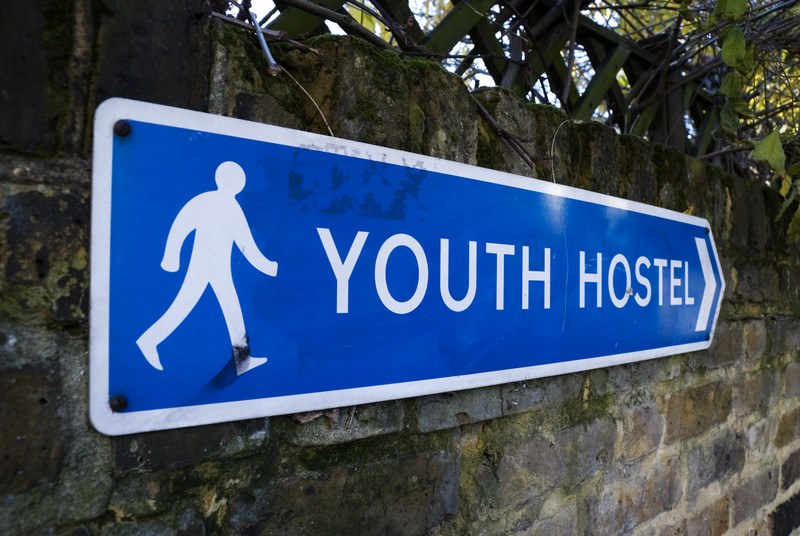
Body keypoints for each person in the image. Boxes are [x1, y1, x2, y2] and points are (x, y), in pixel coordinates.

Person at [136, 161, 278, 375]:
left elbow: (245, 243)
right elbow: (182, 226)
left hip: (218, 269)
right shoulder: (216, 203)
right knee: (185, 306)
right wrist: (170, 257)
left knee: (226, 309)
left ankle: (243, 360)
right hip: (204, 266)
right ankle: (148, 340)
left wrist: (267, 266)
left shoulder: (219, 204)